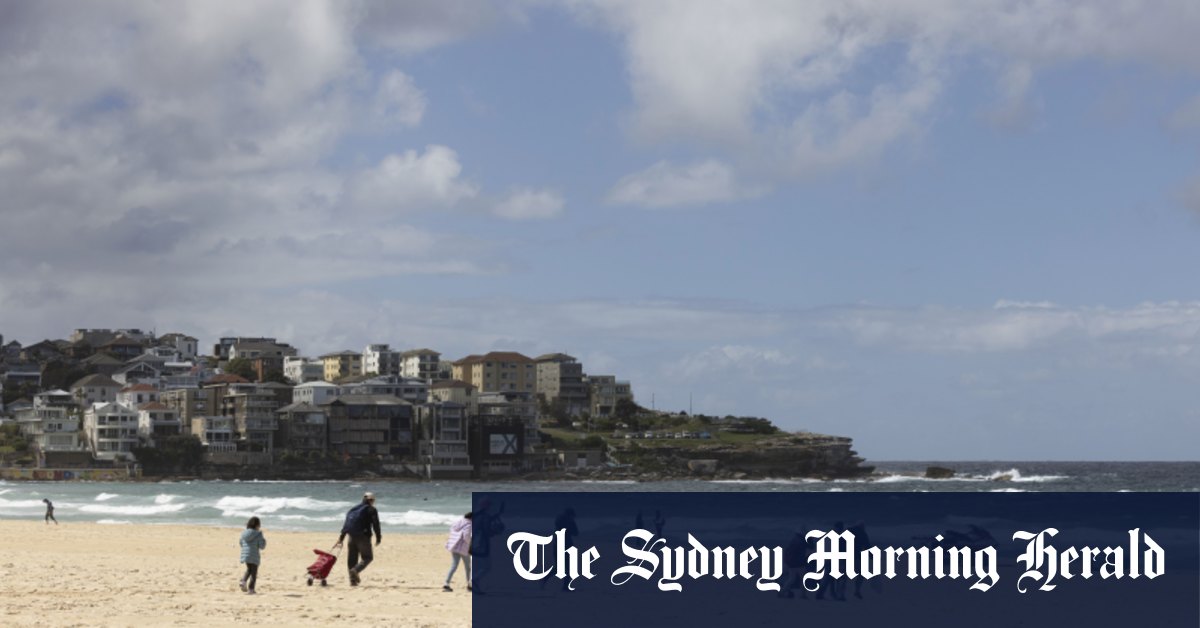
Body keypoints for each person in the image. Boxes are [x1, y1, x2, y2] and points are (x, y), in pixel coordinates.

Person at [334, 492, 381, 587]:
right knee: (368, 557)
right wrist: (378, 537)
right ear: (371, 500)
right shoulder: (371, 509)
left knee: (352, 559)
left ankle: (353, 581)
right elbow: (376, 524)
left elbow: (347, 524)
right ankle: (355, 571)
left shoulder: (353, 509)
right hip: (363, 537)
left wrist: (341, 538)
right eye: (373, 500)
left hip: (351, 536)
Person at [443, 512, 473, 592]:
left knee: (454, 566)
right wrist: (470, 544)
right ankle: (469, 585)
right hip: (463, 548)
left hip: (454, 546)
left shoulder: (458, 522)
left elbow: (453, 531)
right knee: (468, 567)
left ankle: (446, 583)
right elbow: (466, 536)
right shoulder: (469, 524)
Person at [239, 517, 267, 594]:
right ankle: (251, 589)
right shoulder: (258, 534)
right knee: (254, 573)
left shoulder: (244, 534)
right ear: (257, 525)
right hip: (254, 556)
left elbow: (241, 543)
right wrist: (264, 540)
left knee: (249, 569)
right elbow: (262, 546)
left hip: (245, 555)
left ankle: (243, 581)